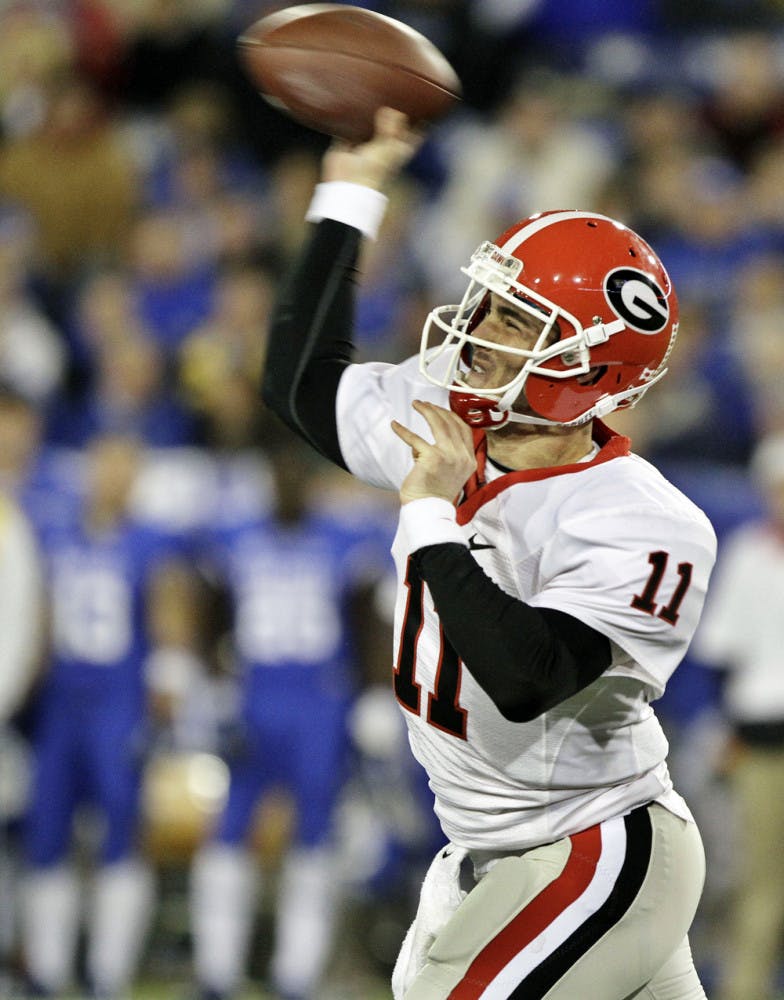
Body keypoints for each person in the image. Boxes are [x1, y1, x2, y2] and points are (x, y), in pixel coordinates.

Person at [261, 107, 718, 999]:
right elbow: (297, 384)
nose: (479, 327)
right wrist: (352, 190)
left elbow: (527, 672)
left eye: (517, 320)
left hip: (593, 846)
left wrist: (431, 512)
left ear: (588, 369)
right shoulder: (448, 416)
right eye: (493, 301)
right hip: (491, 847)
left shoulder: (643, 520)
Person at [189, 437, 391, 1000]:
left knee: (315, 836)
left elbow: (368, 619)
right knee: (229, 832)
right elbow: (211, 611)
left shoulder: (344, 538)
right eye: (277, 473)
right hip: (254, 696)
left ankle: (295, 976)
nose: (287, 483)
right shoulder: (235, 536)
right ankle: (217, 973)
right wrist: (210, 678)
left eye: (296, 474)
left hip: (319, 704)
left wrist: (375, 693)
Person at [19, 432, 191, 1000]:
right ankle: (46, 971)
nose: (115, 478)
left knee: (121, 830)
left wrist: (168, 671)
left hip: (117, 702)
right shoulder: (54, 529)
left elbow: (168, 605)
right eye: (107, 465)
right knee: (47, 831)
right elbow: (33, 611)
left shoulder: (149, 541)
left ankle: (108, 974)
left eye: (126, 467)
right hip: (61, 702)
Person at [690, 431, 784, 1000]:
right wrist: (724, 729)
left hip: (760, 725)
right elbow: (722, 654)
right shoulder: (751, 553)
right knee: (760, 883)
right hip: (765, 736)